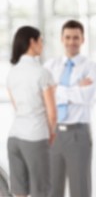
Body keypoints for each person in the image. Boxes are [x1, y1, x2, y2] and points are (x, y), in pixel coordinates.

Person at [44, 20, 96, 197]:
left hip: (78, 135)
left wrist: (56, 90)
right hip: (52, 133)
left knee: (80, 189)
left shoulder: (92, 67)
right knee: (52, 190)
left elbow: (86, 97)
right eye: (68, 37)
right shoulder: (49, 67)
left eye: (76, 37)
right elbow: (43, 97)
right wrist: (75, 88)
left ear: (82, 39)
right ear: (62, 39)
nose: (71, 41)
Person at [7, 26, 56, 197]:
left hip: (14, 137)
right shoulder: (42, 73)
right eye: (41, 40)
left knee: (19, 192)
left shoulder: (12, 73)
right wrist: (52, 132)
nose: (42, 44)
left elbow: (16, 106)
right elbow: (52, 112)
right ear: (32, 42)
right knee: (41, 190)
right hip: (35, 136)